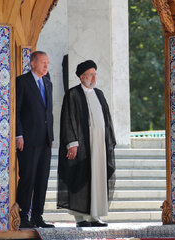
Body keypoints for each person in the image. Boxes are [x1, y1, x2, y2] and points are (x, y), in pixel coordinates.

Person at [57, 60, 116, 228]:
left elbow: (107, 120)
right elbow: (68, 119)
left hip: (99, 146)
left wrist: (109, 141)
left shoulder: (99, 93)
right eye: (91, 74)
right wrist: (72, 143)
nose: (94, 77)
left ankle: (94, 216)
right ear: (82, 77)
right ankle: (81, 218)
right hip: (82, 146)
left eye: (95, 74)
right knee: (81, 178)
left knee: (98, 178)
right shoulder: (73, 94)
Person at [16, 51, 55, 228]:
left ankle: (38, 216)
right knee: (28, 178)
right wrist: (19, 134)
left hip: (45, 140)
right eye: (42, 62)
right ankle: (23, 216)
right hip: (28, 140)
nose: (46, 66)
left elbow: (49, 112)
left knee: (42, 179)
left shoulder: (48, 83)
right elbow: (16, 111)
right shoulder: (22, 82)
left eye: (47, 62)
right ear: (32, 63)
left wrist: (51, 136)